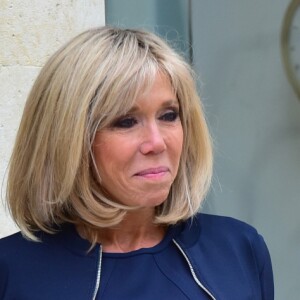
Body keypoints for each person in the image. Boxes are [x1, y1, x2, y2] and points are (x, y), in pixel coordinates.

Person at [0, 26, 274, 299]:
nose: (157, 142)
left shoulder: (239, 249)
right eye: (126, 121)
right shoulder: (12, 271)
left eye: (168, 115)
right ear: (68, 139)